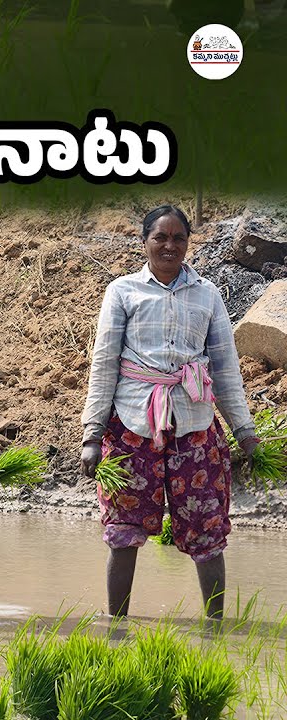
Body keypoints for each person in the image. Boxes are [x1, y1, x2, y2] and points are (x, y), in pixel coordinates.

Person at [80, 205, 259, 620]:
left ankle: (216, 627)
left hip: (195, 427)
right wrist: (92, 435)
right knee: (124, 533)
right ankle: (116, 627)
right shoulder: (123, 291)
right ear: (145, 242)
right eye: (160, 237)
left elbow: (225, 369)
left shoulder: (207, 294)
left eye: (178, 238)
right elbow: (104, 363)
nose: (169, 245)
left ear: (187, 244)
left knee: (208, 531)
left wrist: (245, 433)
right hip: (132, 427)